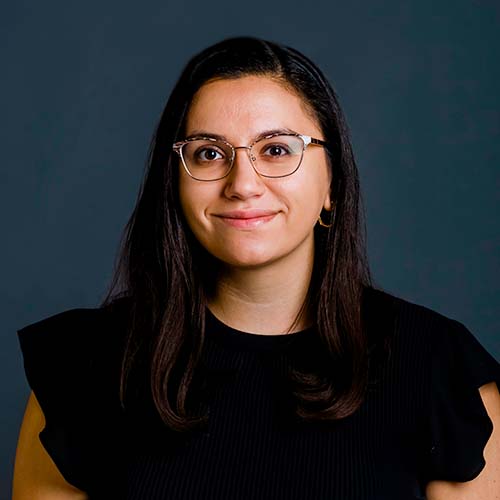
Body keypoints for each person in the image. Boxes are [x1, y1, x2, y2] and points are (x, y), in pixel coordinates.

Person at [12, 37, 500, 500]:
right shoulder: (79, 370)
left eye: (277, 149)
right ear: (175, 185)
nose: (243, 183)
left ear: (332, 183)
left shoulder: (439, 370)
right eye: (208, 153)